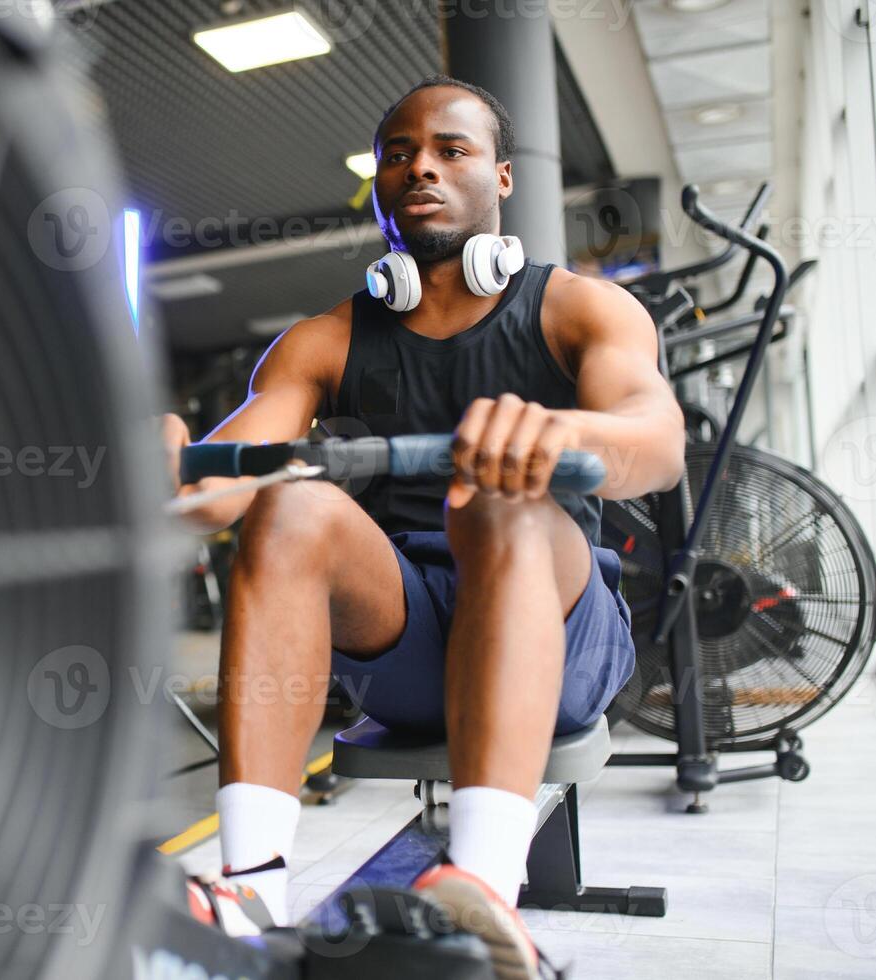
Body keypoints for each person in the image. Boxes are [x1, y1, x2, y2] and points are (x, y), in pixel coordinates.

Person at [163, 75, 685, 978]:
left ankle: (482, 895)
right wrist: (167, 466)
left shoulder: (576, 309)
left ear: (503, 177)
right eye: (398, 154)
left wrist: (553, 436)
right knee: (289, 502)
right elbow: (218, 488)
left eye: (451, 149)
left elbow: (657, 440)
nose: (420, 168)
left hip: (558, 632)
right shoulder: (323, 340)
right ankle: (249, 886)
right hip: (407, 649)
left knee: (496, 501)